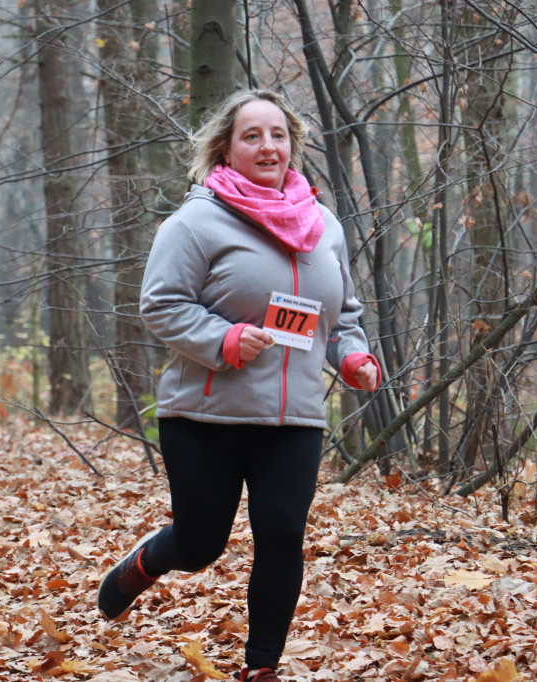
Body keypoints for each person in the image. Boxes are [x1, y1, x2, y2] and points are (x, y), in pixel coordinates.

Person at [97, 89, 380, 682]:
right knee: (201, 546)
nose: (267, 146)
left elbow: (341, 316)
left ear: (293, 144)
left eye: (277, 135)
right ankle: (146, 562)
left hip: (294, 418)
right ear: (226, 147)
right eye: (251, 136)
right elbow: (161, 304)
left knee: (282, 534)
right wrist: (222, 340)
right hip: (206, 416)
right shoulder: (197, 222)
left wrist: (352, 357)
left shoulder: (323, 225)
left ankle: (262, 667)